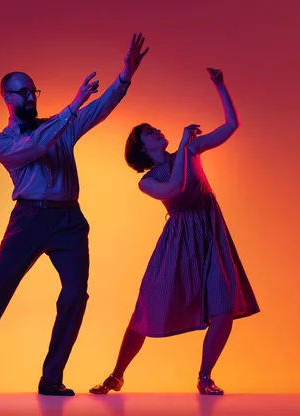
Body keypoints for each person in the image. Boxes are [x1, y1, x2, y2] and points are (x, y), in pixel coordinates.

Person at [0, 34, 149, 397]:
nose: (30, 97)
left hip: (68, 220)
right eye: (23, 92)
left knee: (74, 296)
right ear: (6, 97)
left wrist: (125, 77)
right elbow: (36, 145)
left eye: (34, 91)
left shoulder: (61, 126)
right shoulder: (2, 143)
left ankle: (51, 378)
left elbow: (97, 110)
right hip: (28, 220)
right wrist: (72, 107)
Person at [89, 68, 260, 396]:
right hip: (179, 243)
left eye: (155, 128)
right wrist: (183, 146)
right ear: (142, 149)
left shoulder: (190, 151)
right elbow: (176, 186)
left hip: (211, 232)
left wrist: (221, 85)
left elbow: (230, 126)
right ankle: (116, 374)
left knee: (223, 307)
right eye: (150, 133)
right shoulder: (147, 180)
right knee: (146, 311)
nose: (157, 131)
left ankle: (204, 377)